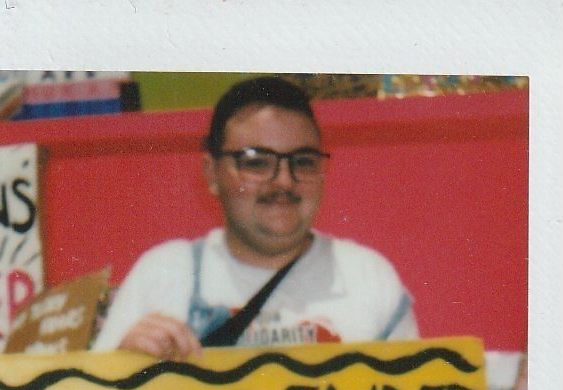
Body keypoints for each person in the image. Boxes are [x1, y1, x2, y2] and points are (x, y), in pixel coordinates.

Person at [93, 75, 418, 357]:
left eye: (303, 161)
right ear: (211, 173)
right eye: (256, 161)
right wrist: (125, 364)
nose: (284, 181)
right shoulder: (164, 273)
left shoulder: (367, 277)